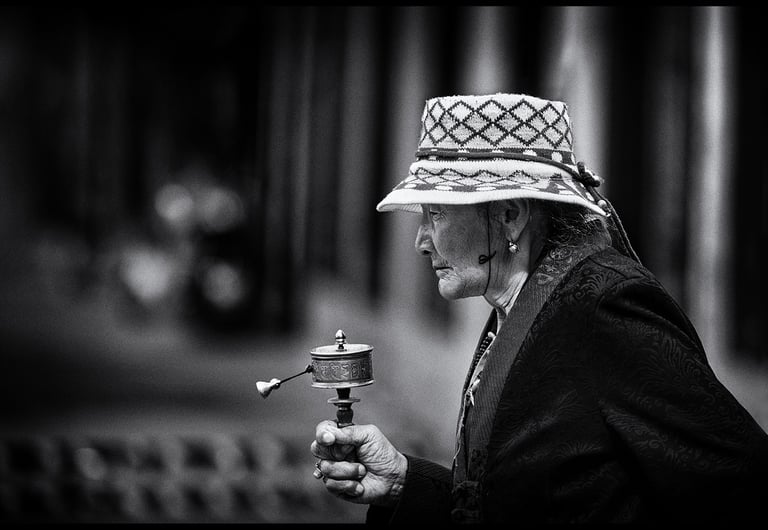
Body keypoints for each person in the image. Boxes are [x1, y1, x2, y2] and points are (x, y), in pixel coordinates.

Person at [310, 93, 768, 523]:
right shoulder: (522, 306)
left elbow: (740, 483)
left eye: (437, 214)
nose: (421, 241)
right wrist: (403, 484)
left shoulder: (604, 307)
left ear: (510, 215)